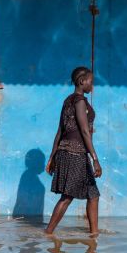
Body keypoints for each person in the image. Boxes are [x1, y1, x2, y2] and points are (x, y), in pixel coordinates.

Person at [45, 67, 102, 236]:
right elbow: (84, 131)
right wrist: (95, 159)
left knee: (93, 194)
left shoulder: (67, 101)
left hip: (68, 152)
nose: (92, 85)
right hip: (74, 154)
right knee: (68, 196)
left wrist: (53, 156)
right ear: (81, 81)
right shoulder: (79, 102)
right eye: (91, 81)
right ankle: (48, 232)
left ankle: (94, 235)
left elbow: (59, 132)